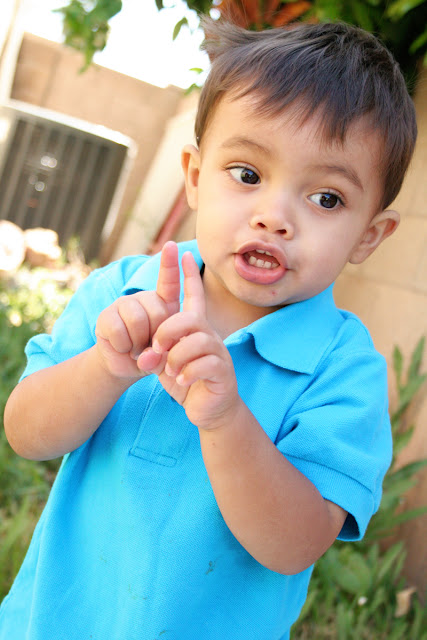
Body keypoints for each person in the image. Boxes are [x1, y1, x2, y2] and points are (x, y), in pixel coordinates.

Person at [1, 18, 417, 640]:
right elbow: (26, 433)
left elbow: (294, 544)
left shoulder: (343, 370)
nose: (274, 216)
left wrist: (225, 420)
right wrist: (103, 368)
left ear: (369, 235)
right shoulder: (124, 293)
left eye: (326, 198)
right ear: (195, 177)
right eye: (247, 174)